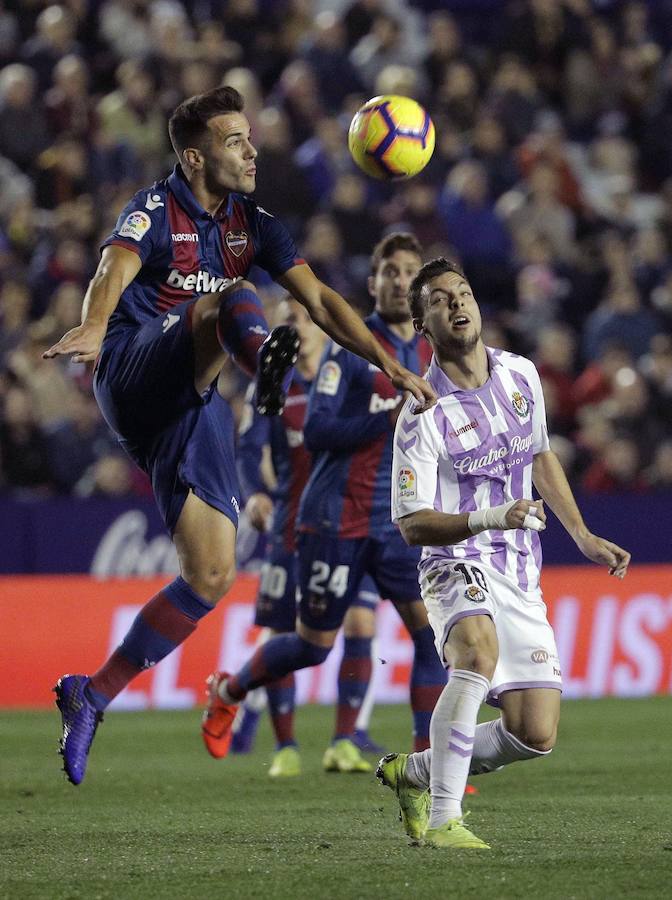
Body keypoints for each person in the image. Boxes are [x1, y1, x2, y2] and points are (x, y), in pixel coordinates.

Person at [44, 85, 434, 787]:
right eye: (234, 142)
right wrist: (97, 324)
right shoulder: (156, 208)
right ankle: (267, 375)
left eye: (250, 138)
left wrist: (388, 365)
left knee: (212, 574)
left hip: (192, 399)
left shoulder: (253, 223)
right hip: (132, 365)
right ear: (195, 158)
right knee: (225, 300)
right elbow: (114, 268)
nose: (252, 151)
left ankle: (91, 693)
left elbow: (320, 302)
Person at [377, 257, 631, 848]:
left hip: (519, 570)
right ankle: (444, 821)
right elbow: (413, 525)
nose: (457, 304)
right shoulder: (421, 413)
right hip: (454, 561)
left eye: (463, 292)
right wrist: (493, 516)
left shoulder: (520, 374)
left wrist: (584, 536)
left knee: (534, 734)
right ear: (423, 325)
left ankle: (414, 772)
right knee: (475, 654)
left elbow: (540, 455)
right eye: (440, 300)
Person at [202, 233, 448, 769]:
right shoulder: (349, 351)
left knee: (432, 639)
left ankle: (431, 766)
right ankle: (230, 691)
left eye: (410, 270)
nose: (401, 279)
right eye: (390, 271)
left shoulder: (430, 353)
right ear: (374, 282)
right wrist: (386, 418)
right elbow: (315, 430)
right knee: (312, 646)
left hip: (397, 523)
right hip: (334, 518)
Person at [230, 295, 385, 775]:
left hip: (351, 522)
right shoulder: (272, 385)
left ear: (320, 326)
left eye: (297, 318)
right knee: (285, 632)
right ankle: (286, 747)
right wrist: (254, 493)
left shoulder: (352, 379)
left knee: (361, 624)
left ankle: (342, 740)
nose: (290, 327)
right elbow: (247, 450)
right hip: (291, 526)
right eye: (281, 322)